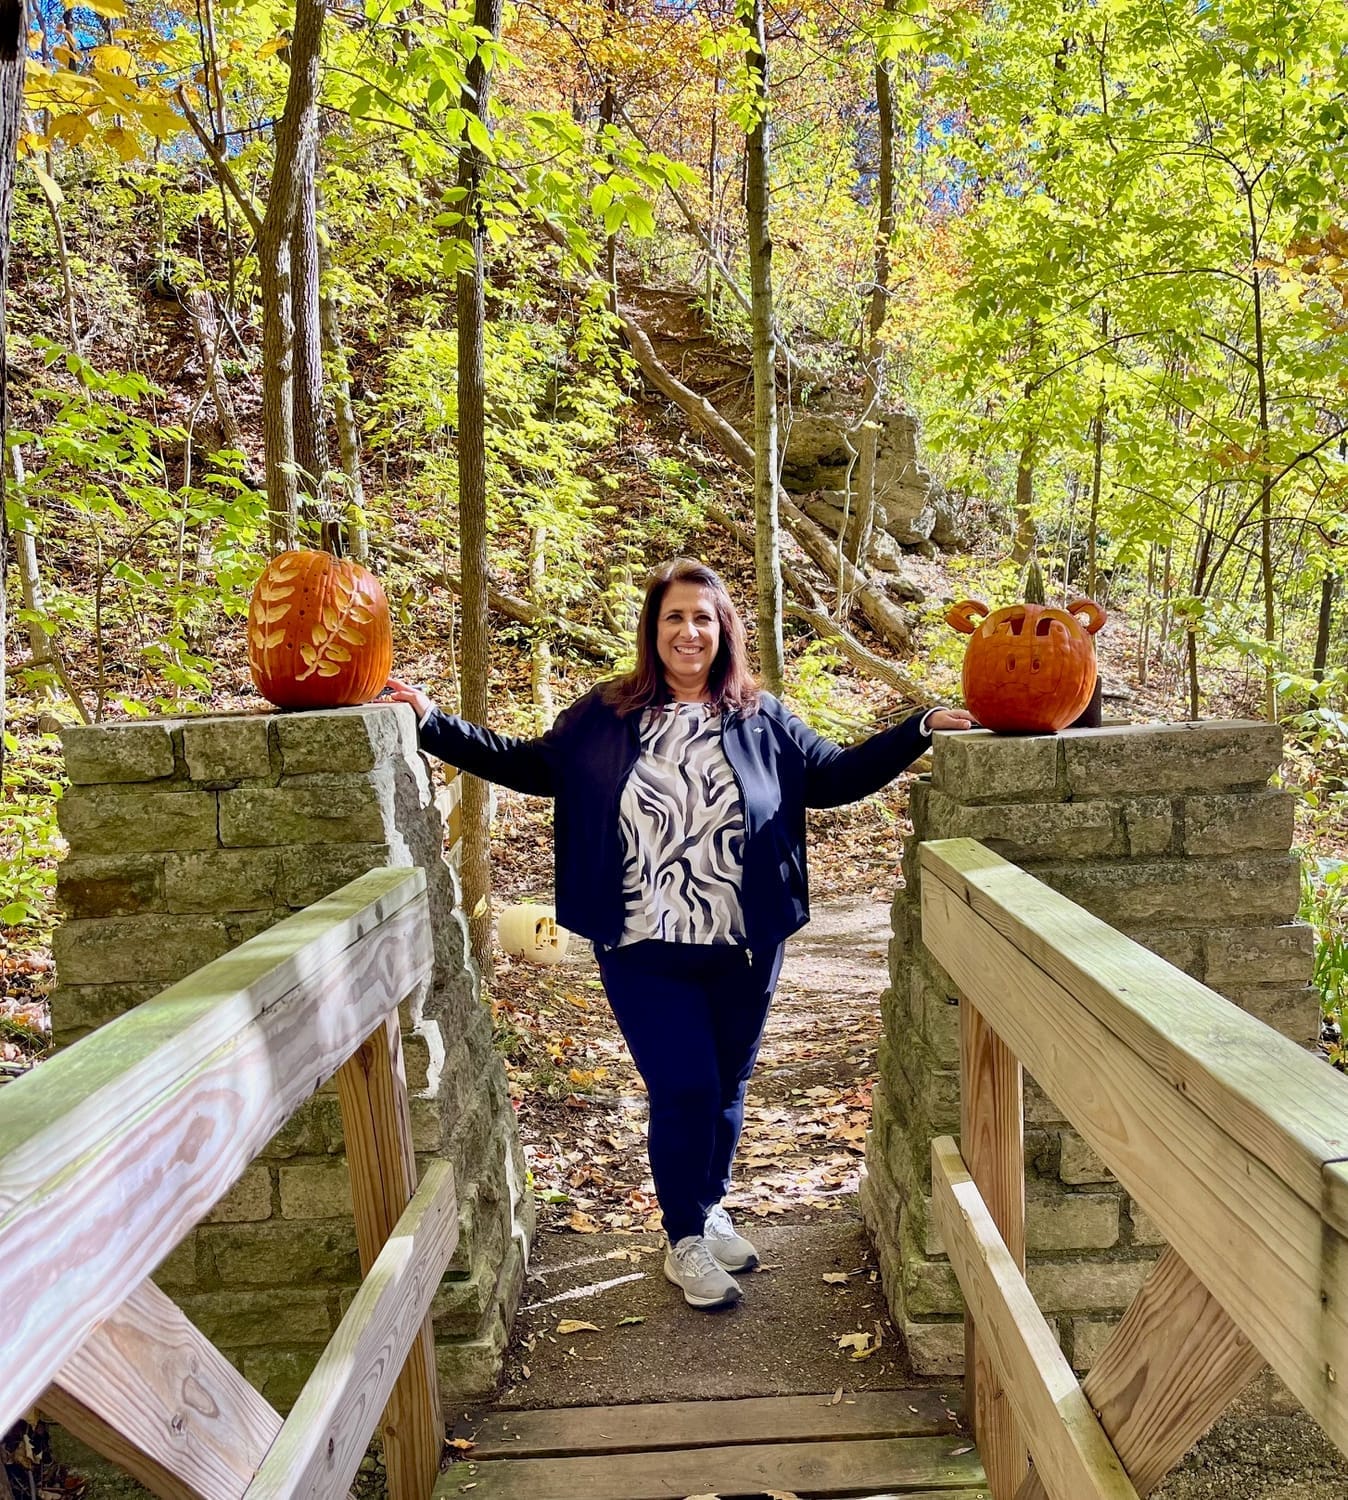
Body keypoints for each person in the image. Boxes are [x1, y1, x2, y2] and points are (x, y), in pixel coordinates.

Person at [386, 557, 975, 1311]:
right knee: (684, 1085)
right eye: (675, 617)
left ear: (723, 629)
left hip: (744, 944)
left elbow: (836, 778)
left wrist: (918, 728)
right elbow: (532, 765)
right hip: (641, 943)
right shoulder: (607, 714)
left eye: (703, 617)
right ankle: (683, 1239)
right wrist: (433, 723)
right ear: (653, 630)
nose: (689, 630)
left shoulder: (762, 718)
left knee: (727, 1088)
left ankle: (708, 1206)